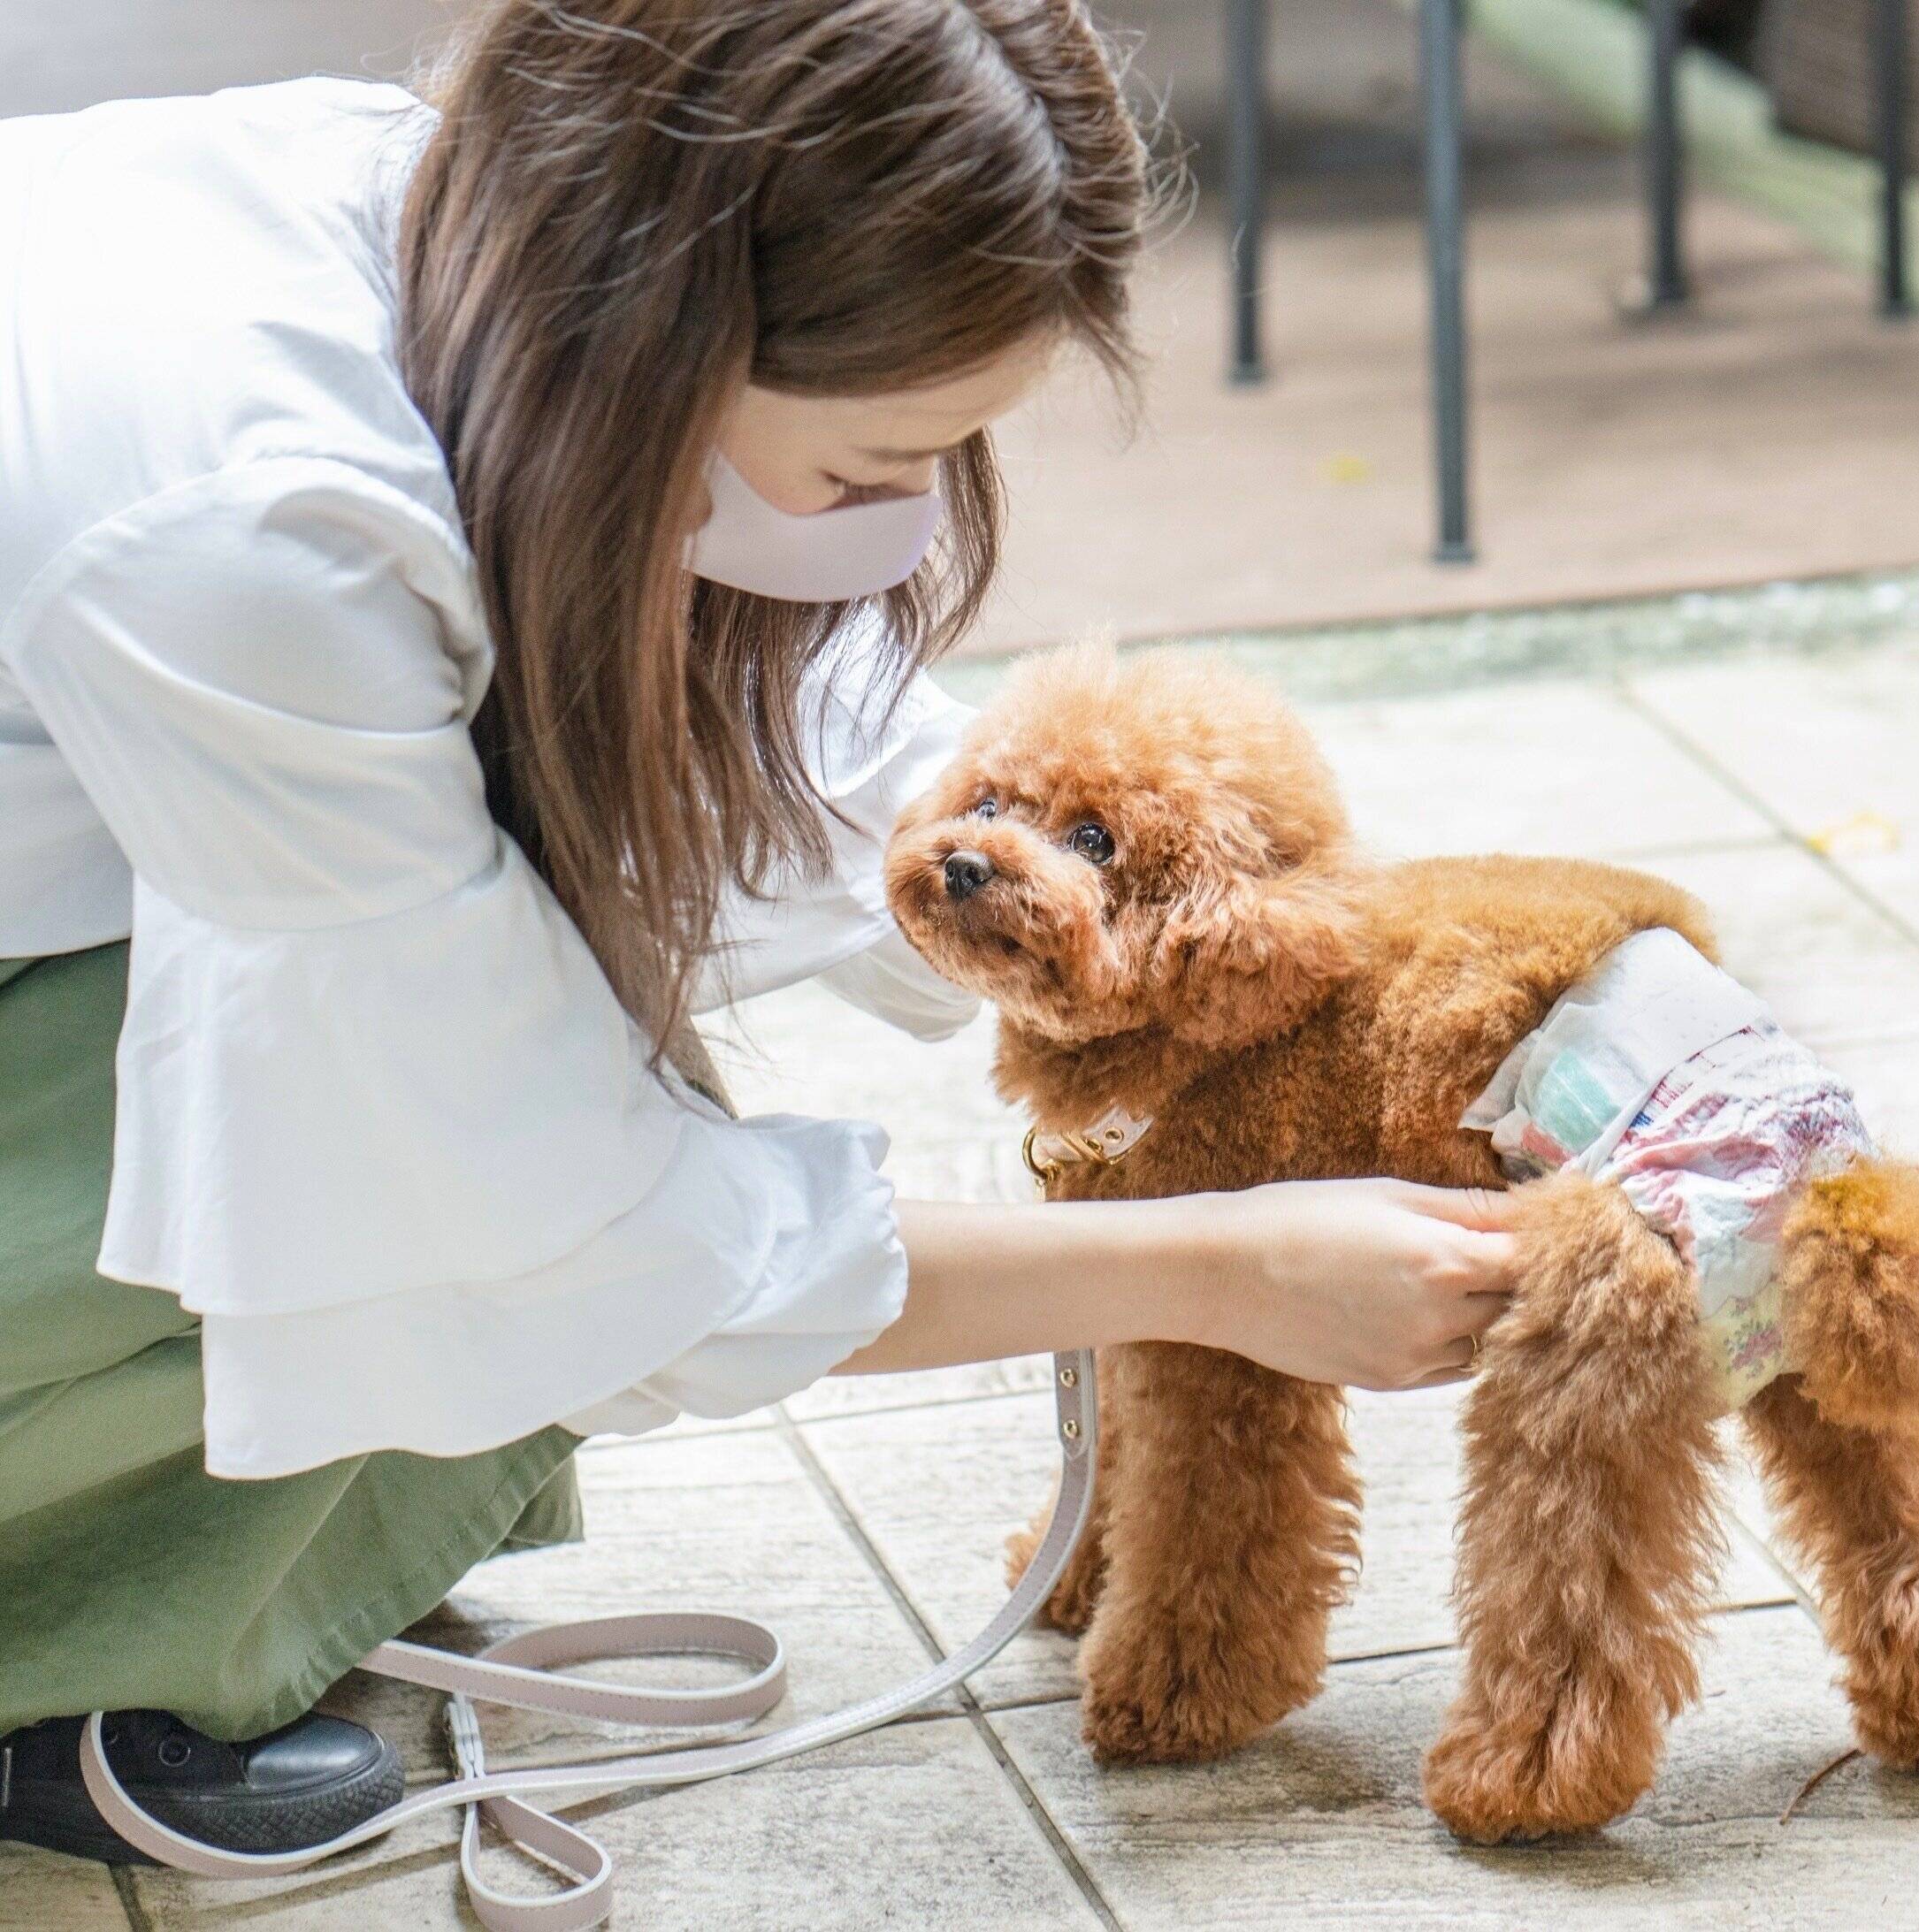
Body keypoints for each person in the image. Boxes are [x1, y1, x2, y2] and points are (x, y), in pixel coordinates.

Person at [0, 0, 1518, 1866]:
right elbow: (560, 1216)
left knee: (484, 1025)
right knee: (383, 1135)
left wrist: (1352, 968)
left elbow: (848, 784)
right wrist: (1222, 1267)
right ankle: (50, 1636)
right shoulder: (245, 523)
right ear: (660, 347)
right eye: (871, 472)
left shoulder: (482, 222)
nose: (904, 528)